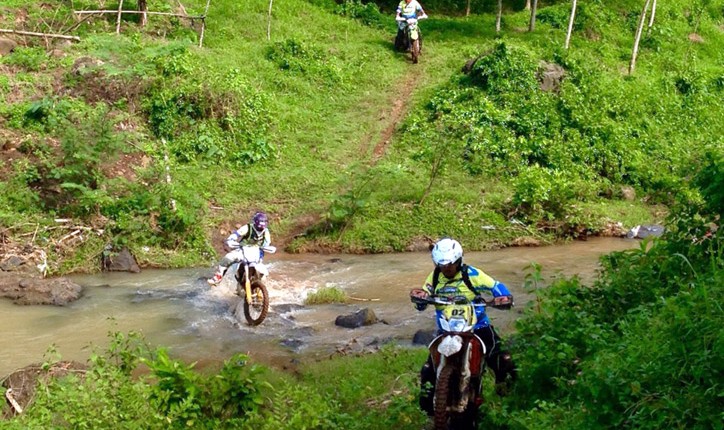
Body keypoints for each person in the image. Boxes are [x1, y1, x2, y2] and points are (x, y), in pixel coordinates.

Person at [410, 237, 517, 415]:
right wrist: (420, 299)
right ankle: (428, 411)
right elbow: (425, 295)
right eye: (442, 265)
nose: (447, 269)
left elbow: (495, 285)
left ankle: (507, 397)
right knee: (428, 369)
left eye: (450, 265)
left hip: (477, 326)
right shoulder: (435, 277)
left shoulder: (472, 274)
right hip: (446, 329)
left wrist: (503, 297)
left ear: (459, 261)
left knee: (503, 359)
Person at [207, 212, 271, 286]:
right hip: (243, 250)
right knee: (228, 258)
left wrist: (266, 247)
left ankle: (264, 286)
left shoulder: (266, 232)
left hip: (256, 254)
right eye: (259, 226)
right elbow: (237, 234)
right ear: (255, 223)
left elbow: (267, 243)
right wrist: (231, 239)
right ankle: (218, 276)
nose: (260, 228)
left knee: (264, 272)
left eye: (262, 227)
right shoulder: (248, 227)